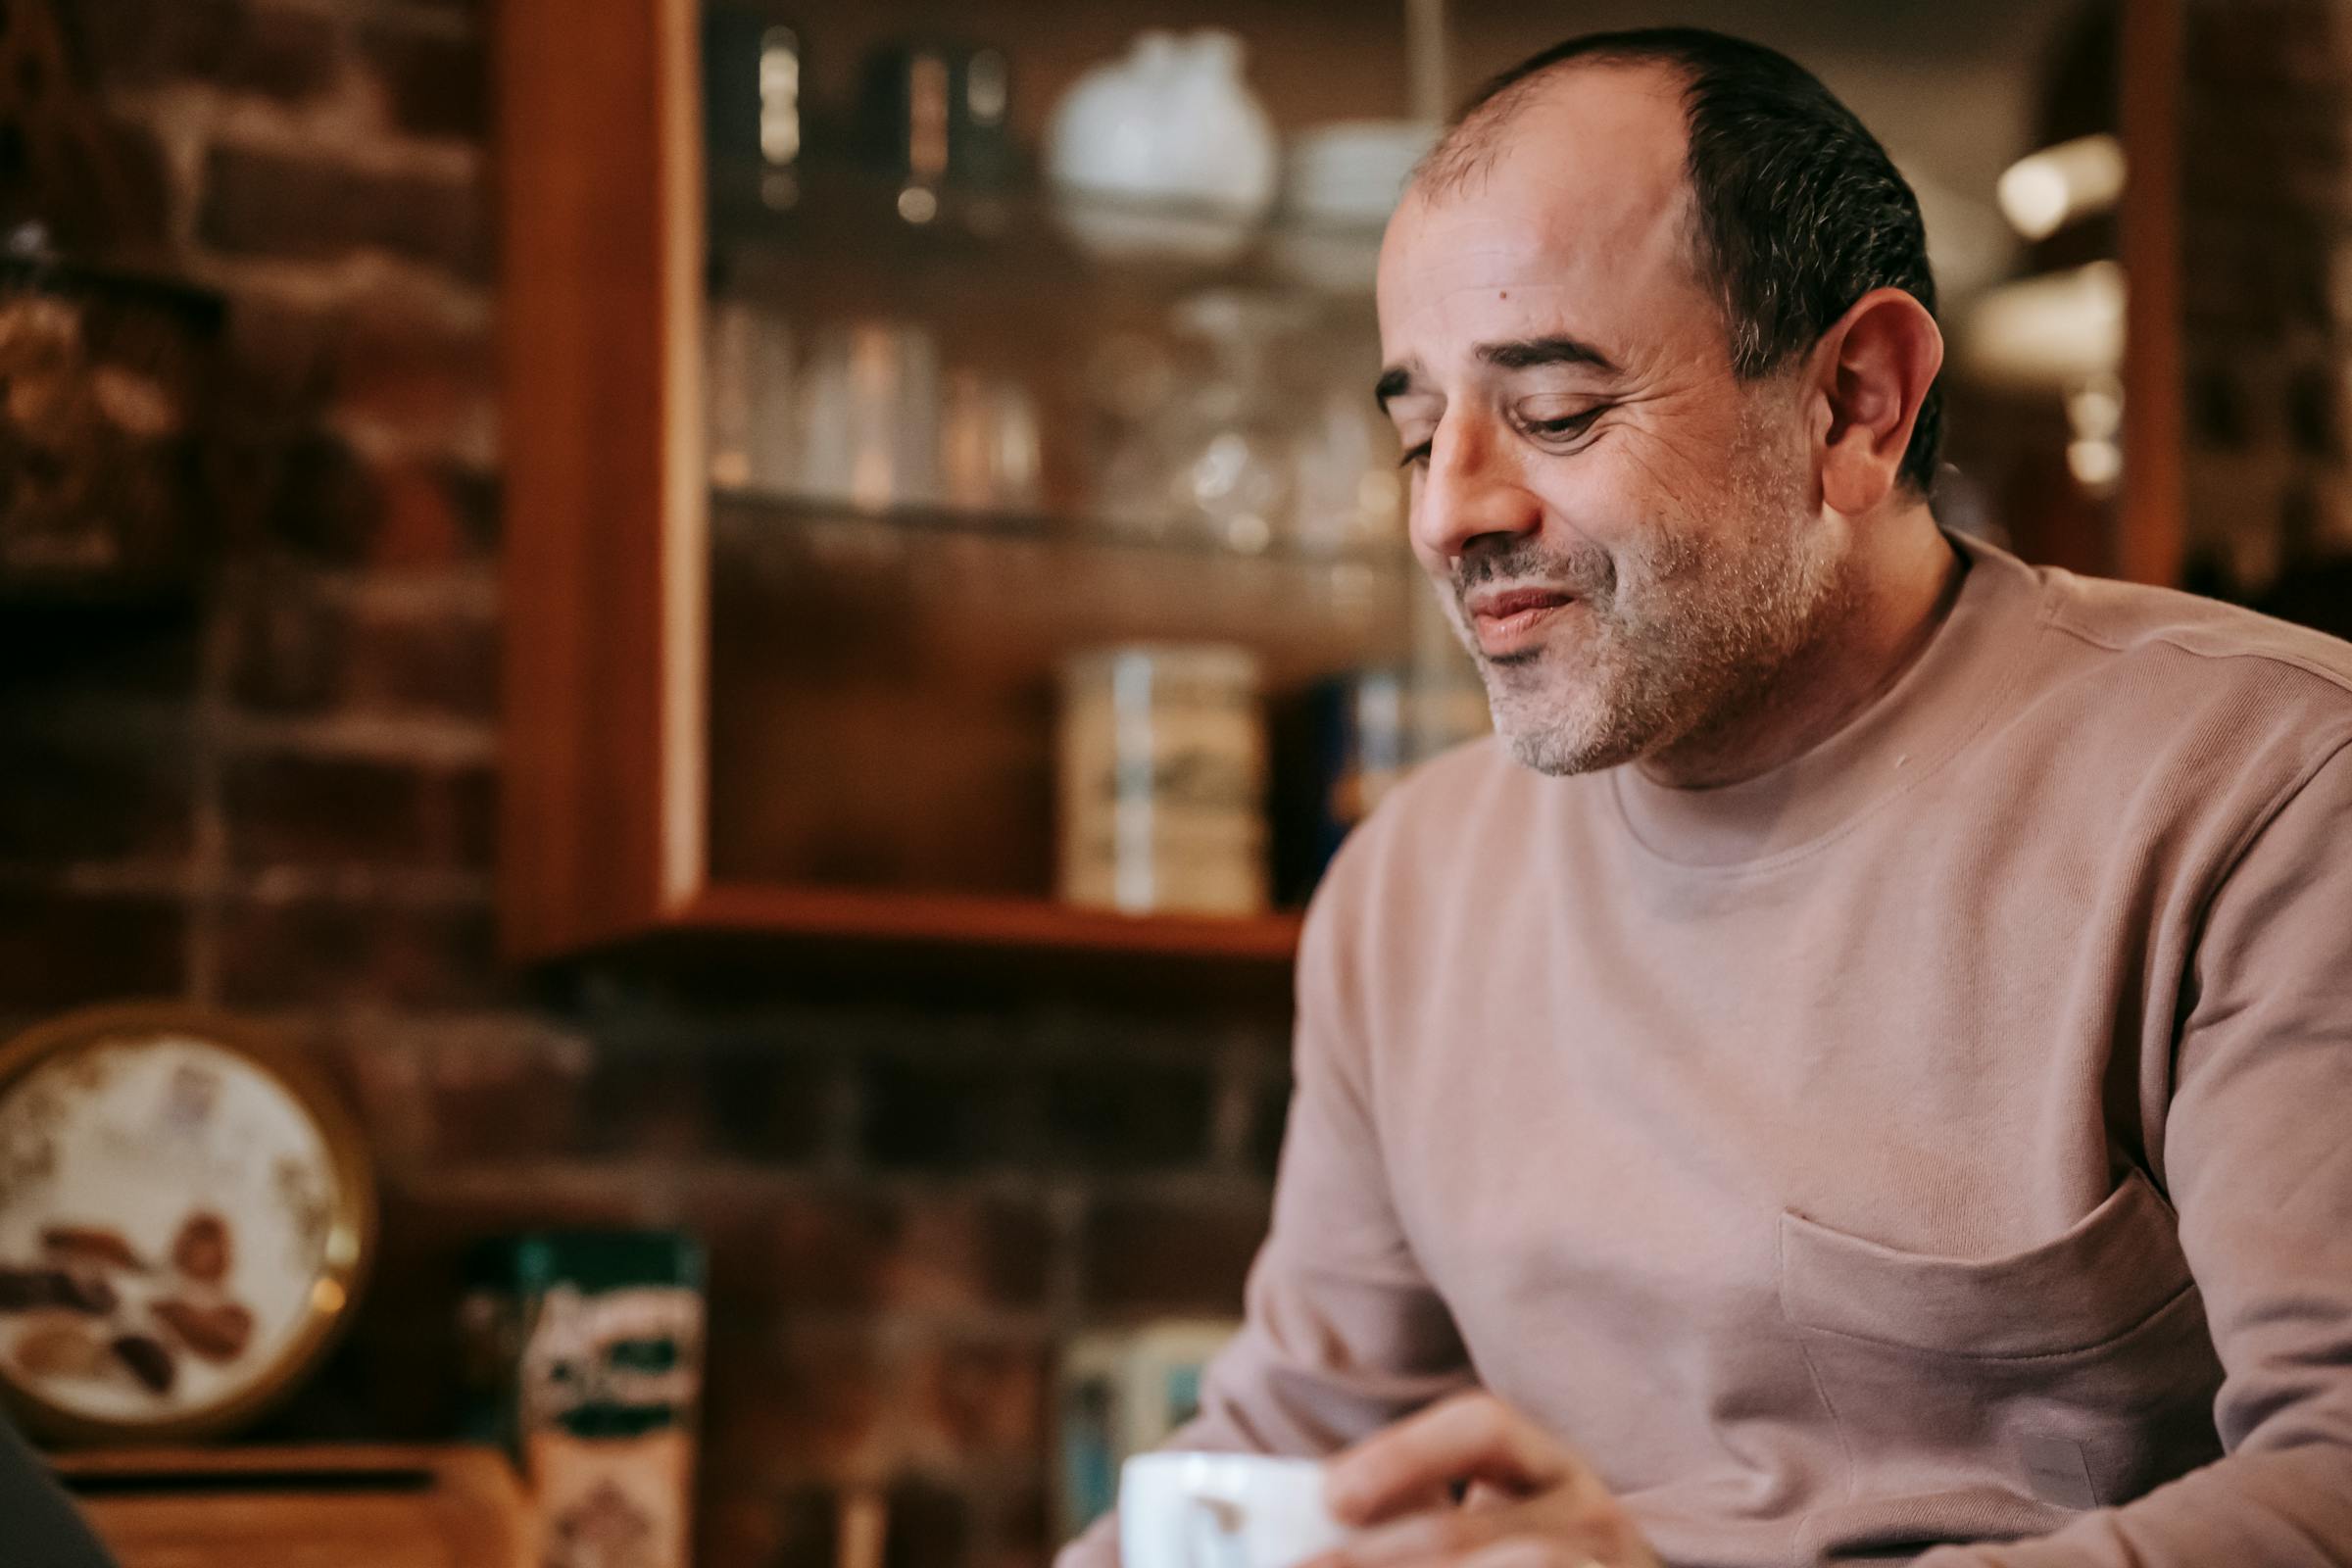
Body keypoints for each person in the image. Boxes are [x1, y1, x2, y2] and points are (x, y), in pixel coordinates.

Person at [1055, 26, 2352, 1568]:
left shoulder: (2264, 788)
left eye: (1554, 413)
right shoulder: (1409, 888)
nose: (1450, 512)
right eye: (1417, 434)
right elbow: (1289, 1460)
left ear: (1856, 404)